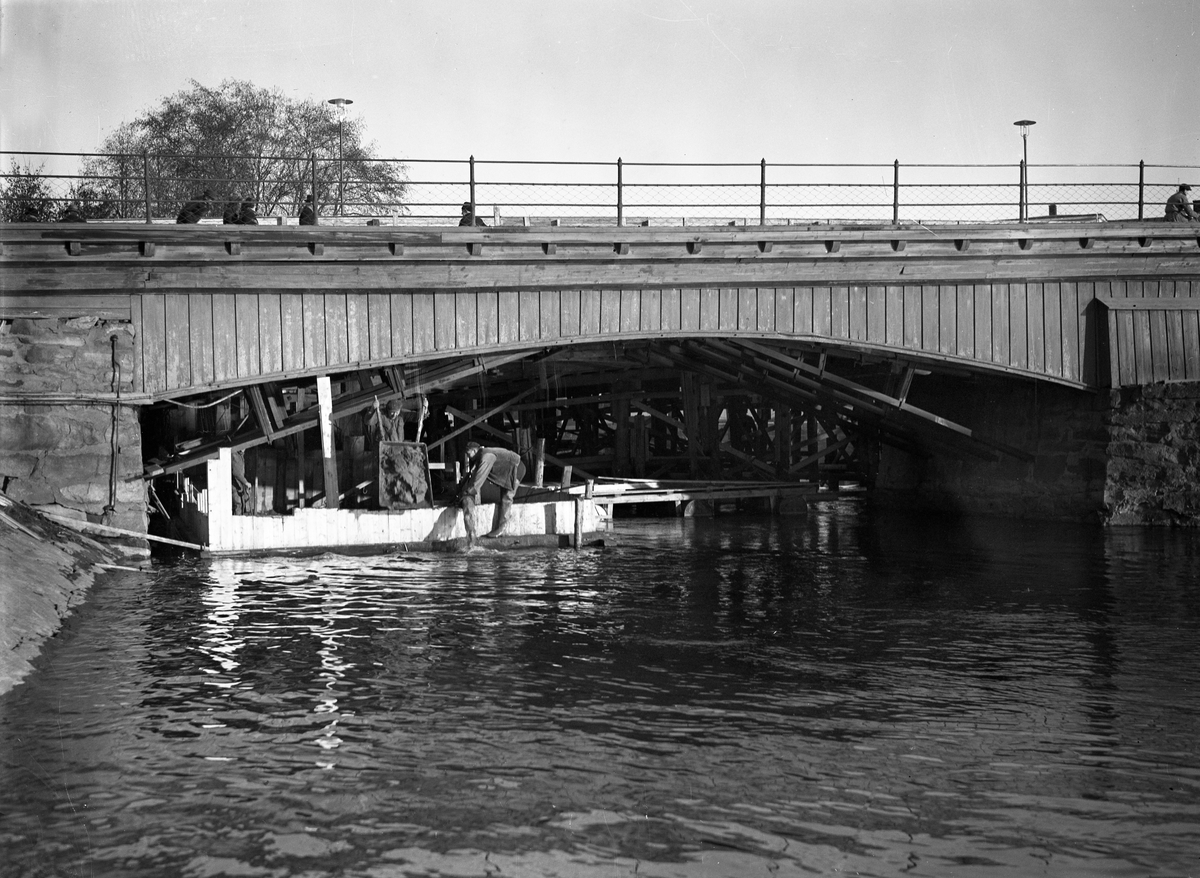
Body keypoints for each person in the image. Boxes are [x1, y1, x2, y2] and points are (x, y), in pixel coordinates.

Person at [455, 441, 524, 540]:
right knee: (503, 496)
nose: (468, 456)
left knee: (507, 497)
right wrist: (467, 490)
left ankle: (501, 529)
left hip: (517, 468)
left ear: (474, 451)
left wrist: (471, 491)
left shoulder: (486, 456)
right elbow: (474, 475)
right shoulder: (480, 457)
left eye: (468, 453)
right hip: (507, 472)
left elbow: (480, 475)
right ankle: (500, 526)